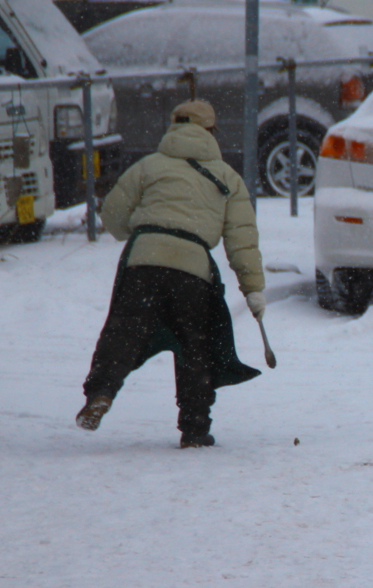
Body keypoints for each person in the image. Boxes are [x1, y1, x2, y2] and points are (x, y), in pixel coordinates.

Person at [76, 100, 267, 448]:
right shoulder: (227, 177)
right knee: (195, 346)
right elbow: (242, 241)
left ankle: (101, 392)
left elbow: (113, 215)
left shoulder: (149, 165)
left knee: (124, 332)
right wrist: (253, 289)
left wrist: (140, 228)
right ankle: (195, 428)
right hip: (193, 268)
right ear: (211, 131)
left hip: (144, 260)